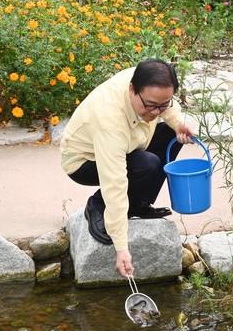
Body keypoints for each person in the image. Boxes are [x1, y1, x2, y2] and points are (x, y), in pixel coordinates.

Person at [60, 58, 196, 278]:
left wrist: (178, 122)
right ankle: (97, 204)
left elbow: (167, 108)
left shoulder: (148, 80)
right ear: (132, 89)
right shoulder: (109, 120)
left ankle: (136, 203)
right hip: (85, 161)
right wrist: (121, 247)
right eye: (150, 105)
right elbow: (115, 181)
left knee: (172, 133)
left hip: (131, 144)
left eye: (163, 104)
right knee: (147, 164)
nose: (155, 112)